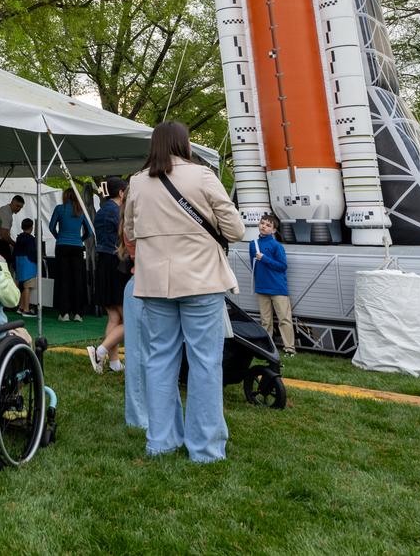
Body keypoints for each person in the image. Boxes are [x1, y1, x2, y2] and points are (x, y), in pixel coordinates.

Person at [122, 120, 244, 463]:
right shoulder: (202, 176)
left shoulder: (137, 182)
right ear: (184, 144)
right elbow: (235, 229)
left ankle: (161, 441)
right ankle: (205, 449)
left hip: (155, 282)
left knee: (160, 360)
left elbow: (130, 230)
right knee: (205, 363)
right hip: (202, 279)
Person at [88, 176, 128, 374]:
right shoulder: (120, 212)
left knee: (113, 317)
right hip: (116, 265)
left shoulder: (101, 211)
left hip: (102, 264)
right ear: (121, 192)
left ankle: (114, 363)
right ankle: (100, 351)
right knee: (129, 319)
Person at [250, 213, 295, 356]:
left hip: (278, 288)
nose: (264, 226)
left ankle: (289, 349)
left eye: (268, 225)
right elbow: (254, 266)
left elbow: (282, 266)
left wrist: (264, 259)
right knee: (265, 321)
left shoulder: (277, 246)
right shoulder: (253, 244)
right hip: (261, 287)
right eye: (262, 223)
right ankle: (268, 349)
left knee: (284, 319)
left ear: (274, 230)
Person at [49, 187, 91, 321]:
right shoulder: (81, 211)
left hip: (62, 246)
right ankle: (78, 313)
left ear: (65, 196)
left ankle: (64, 313)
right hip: (77, 247)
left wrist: (59, 237)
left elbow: (51, 227)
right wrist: (80, 240)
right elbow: (89, 231)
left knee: (63, 279)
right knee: (78, 280)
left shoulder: (59, 209)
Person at [14, 218, 39, 315]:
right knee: (27, 287)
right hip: (29, 265)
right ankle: (26, 309)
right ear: (31, 227)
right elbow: (33, 253)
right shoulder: (31, 239)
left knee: (23, 287)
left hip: (20, 264)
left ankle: (21, 307)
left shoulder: (19, 238)